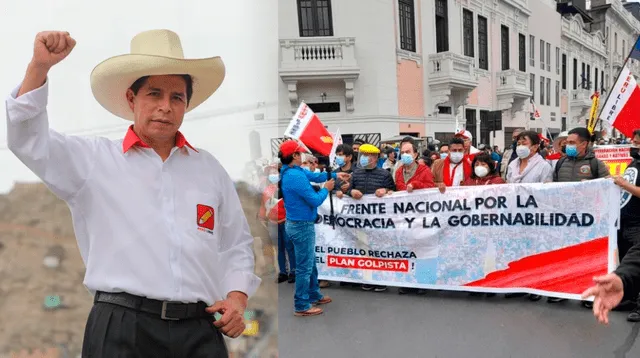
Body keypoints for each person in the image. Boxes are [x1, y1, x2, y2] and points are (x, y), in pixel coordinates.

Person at [6, 30, 259, 356]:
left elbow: (236, 243)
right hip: (122, 329)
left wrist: (237, 297)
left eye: (177, 97)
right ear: (131, 99)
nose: (165, 107)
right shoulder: (93, 160)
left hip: (199, 331)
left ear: (186, 104)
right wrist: (39, 68)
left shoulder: (209, 169)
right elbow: (27, 140)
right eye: (154, 94)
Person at [278, 140, 350, 317]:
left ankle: (313, 294)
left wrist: (335, 175)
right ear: (294, 156)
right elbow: (315, 200)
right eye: (299, 153)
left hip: (298, 224)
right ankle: (302, 304)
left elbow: (316, 177)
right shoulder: (294, 175)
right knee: (304, 267)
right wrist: (326, 189)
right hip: (301, 225)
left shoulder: (292, 171)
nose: (303, 155)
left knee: (309, 262)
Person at [549, 127, 609, 306]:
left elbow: (608, 185)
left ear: (584, 144)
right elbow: (553, 185)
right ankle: (562, 290)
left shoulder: (596, 164)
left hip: (588, 218)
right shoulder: (560, 163)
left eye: (572, 142)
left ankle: (590, 294)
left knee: (588, 257)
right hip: (564, 217)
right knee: (564, 255)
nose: (568, 145)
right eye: (567, 142)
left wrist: (591, 185)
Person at [346, 143, 395, 292]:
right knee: (364, 249)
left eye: (367, 156)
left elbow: (394, 191)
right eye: (362, 155)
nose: (363, 159)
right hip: (361, 220)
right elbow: (348, 189)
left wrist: (386, 190)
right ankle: (367, 278)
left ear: (374, 157)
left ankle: (380, 279)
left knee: (379, 249)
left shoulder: (384, 174)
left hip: (378, 221)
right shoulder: (357, 174)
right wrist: (351, 192)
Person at [611, 129, 640, 321]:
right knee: (626, 261)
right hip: (626, 222)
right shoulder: (635, 162)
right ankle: (629, 298)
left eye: (637, 141)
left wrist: (623, 184)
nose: (633, 143)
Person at [259, 162, 295, 284]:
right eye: (271, 173)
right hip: (273, 223)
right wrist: (262, 217)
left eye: (276, 172)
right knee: (279, 248)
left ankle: (293, 271)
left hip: (286, 221)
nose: (273, 175)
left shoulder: (286, 187)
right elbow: (264, 206)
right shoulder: (267, 190)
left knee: (289, 246)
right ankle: (283, 272)